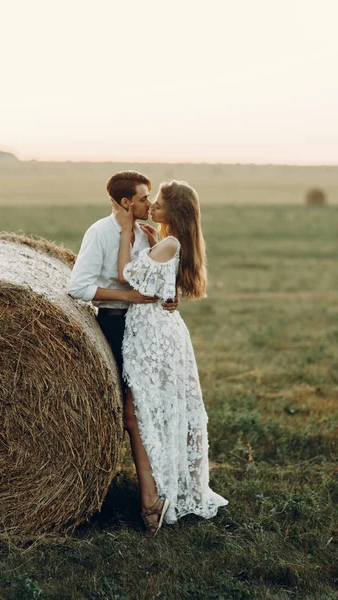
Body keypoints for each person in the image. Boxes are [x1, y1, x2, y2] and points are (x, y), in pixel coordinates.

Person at [110, 180, 229, 536]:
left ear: (173, 212)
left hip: (153, 337)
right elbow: (162, 282)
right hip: (160, 329)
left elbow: (124, 276)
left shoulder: (171, 242)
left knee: (144, 411)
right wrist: (146, 237)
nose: (154, 207)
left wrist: (125, 231)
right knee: (152, 410)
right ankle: (160, 492)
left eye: (159, 204)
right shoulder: (171, 242)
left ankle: (159, 496)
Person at [68, 171, 179, 379]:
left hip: (148, 323)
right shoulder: (99, 232)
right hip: (115, 323)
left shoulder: (145, 235)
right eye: (144, 198)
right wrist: (127, 297)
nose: (150, 204)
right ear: (126, 202)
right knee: (122, 386)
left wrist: (170, 299)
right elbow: (78, 288)